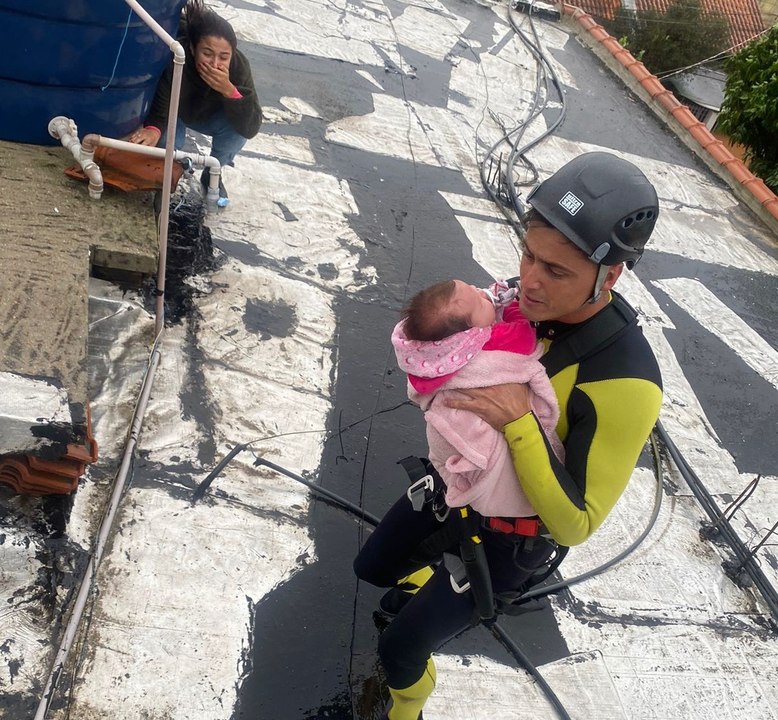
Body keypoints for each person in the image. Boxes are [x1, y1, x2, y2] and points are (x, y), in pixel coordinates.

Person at [353, 151, 664, 720]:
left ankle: (406, 706)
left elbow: (577, 524)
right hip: (456, 488)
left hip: (509, 540)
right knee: (370, 570)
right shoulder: (516, 304)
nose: (530, 283)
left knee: (399, 646)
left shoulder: (627, 380)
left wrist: (518, 424)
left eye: (557, 271)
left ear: (612, 275)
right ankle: (430, 580)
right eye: (528, 255)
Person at [391, 278, 563, 518]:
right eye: (480, 305)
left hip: (444, 435)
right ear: (470, 333)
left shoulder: (434, 354)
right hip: (485, 441)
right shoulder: (487, 338)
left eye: (473, 288)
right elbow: (524, 337)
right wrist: (514, 308)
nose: (482, 294)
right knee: (496, 464)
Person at [128, 0, 262, 206]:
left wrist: (230, 91)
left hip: (209, 115)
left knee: (237, 133)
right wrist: (154, 129)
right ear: (192, 48)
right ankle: (162, 182)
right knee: (168, 147)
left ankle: (212, 174)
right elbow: (163, 95)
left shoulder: (239, 67)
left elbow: (251, 126)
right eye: (207, 54)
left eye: (223, 57)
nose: (215, 64)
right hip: (176, 111)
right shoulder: (178, 57)